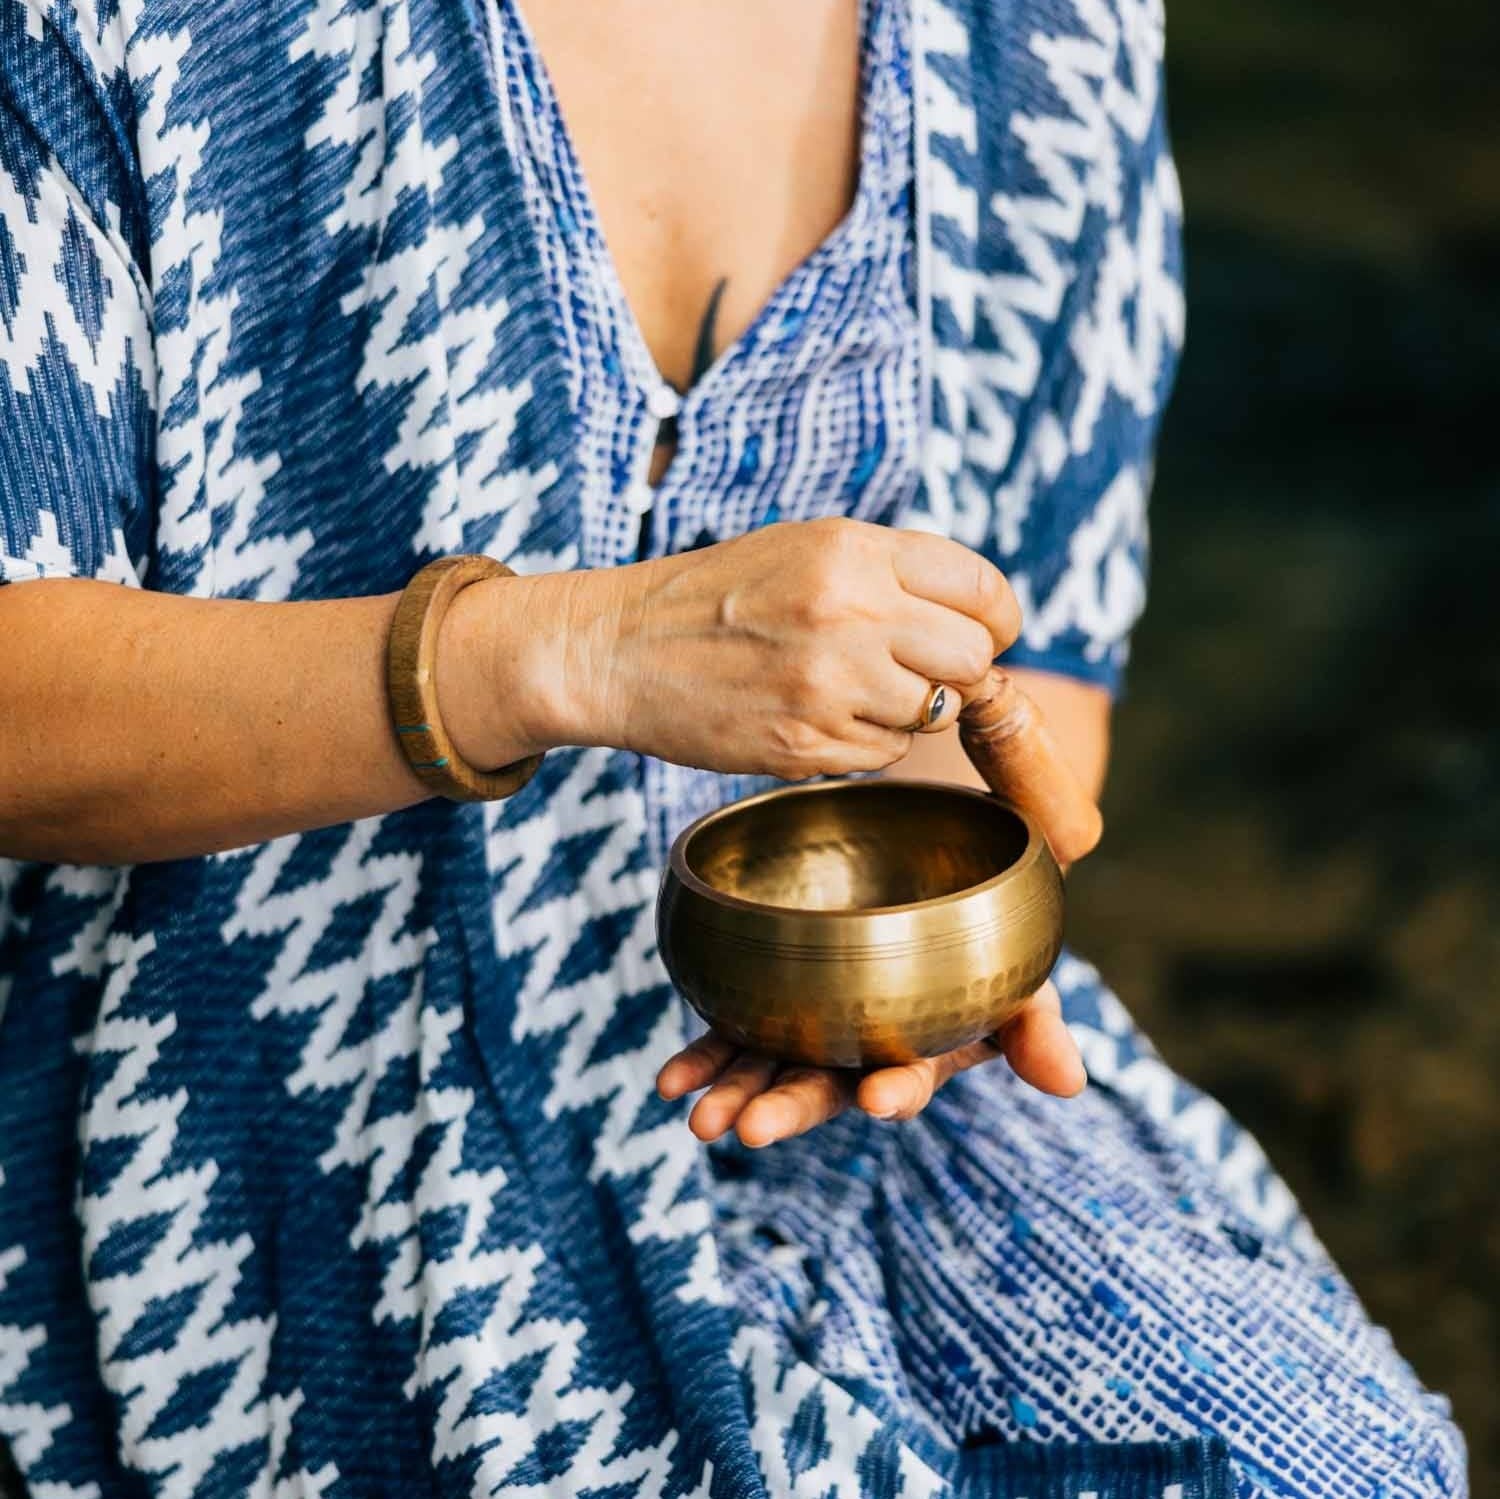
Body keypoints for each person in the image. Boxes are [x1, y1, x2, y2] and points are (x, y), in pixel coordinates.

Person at [0, 0, 1465, 1494]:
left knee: (1338, 1466)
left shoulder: (1049, 34)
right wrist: (557, 653)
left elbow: (1047, 677)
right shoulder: (134, 35)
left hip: (840, 1084)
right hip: (248, 1117)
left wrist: (932, 935)